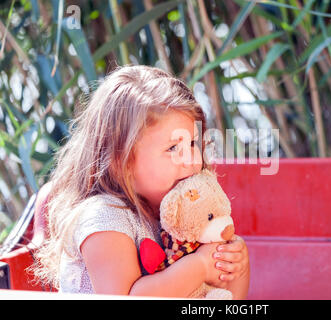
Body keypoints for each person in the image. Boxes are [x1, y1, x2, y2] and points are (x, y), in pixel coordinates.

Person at [30, 65, 250, 298]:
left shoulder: (186, 212)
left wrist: (235, 267)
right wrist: (200, 266)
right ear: (121, 162)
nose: (191, 159)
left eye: (192, 143)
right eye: (173, 147)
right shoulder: (105, 218)